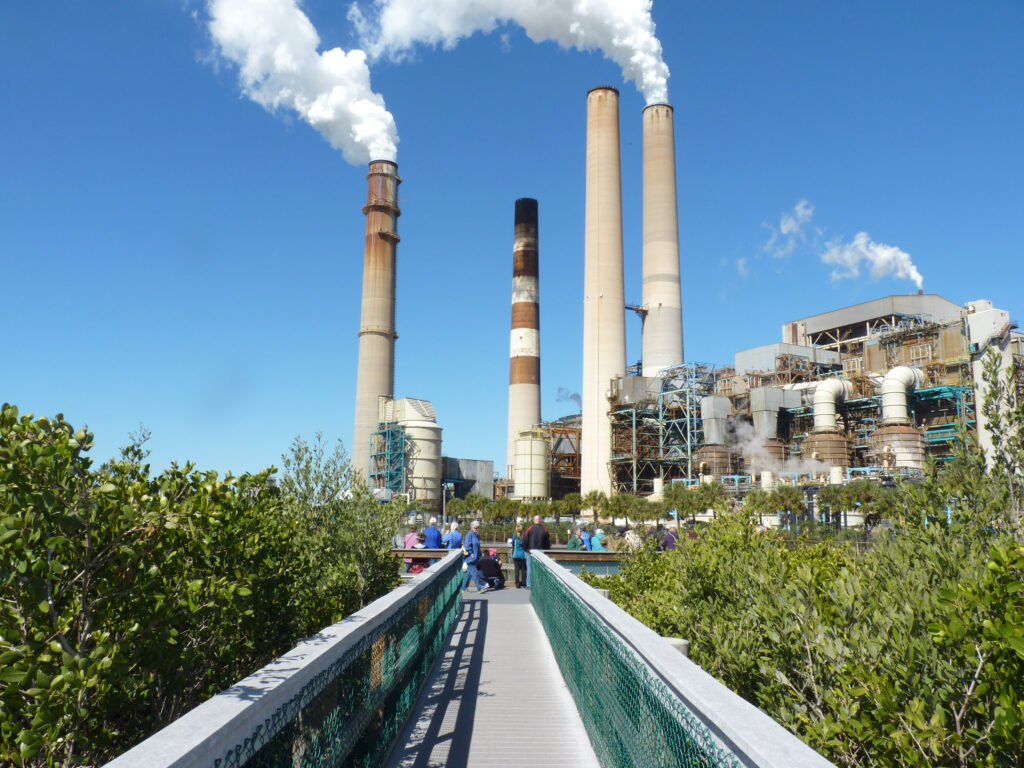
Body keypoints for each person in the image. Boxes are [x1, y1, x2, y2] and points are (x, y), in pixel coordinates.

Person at [523, 514, 551, 589]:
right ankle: (540, 584)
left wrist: (526, 549)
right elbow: (548, 542)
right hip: (542, 552)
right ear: (540, 521)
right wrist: (547, 550)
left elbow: (525, 540)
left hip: (531, 552)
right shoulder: (545, 529)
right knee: (541, 569)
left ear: (533, 520)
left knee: (529, 568)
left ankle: (529, 585)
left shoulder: (529, 529)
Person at [461, 520, 488, 593]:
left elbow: (478, 546)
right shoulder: (469, 534)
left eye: (478, 528)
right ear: (472, 527)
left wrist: (479, 553)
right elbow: (467, 545)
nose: (477, 529)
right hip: (470, 558)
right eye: (476, 528)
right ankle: (479, 588)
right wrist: (471, 553)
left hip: (476, 557)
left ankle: (464, 588)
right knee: (474, 572)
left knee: (469, 574)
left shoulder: (476, 535)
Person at [508, 524, 527, 588]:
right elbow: (525, 545)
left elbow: (513, 546)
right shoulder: (524, 536)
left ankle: (517, 584)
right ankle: (524, 584)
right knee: (523, 570)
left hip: (515, 555)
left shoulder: (514, 536)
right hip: (522, 555)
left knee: (516, 569)